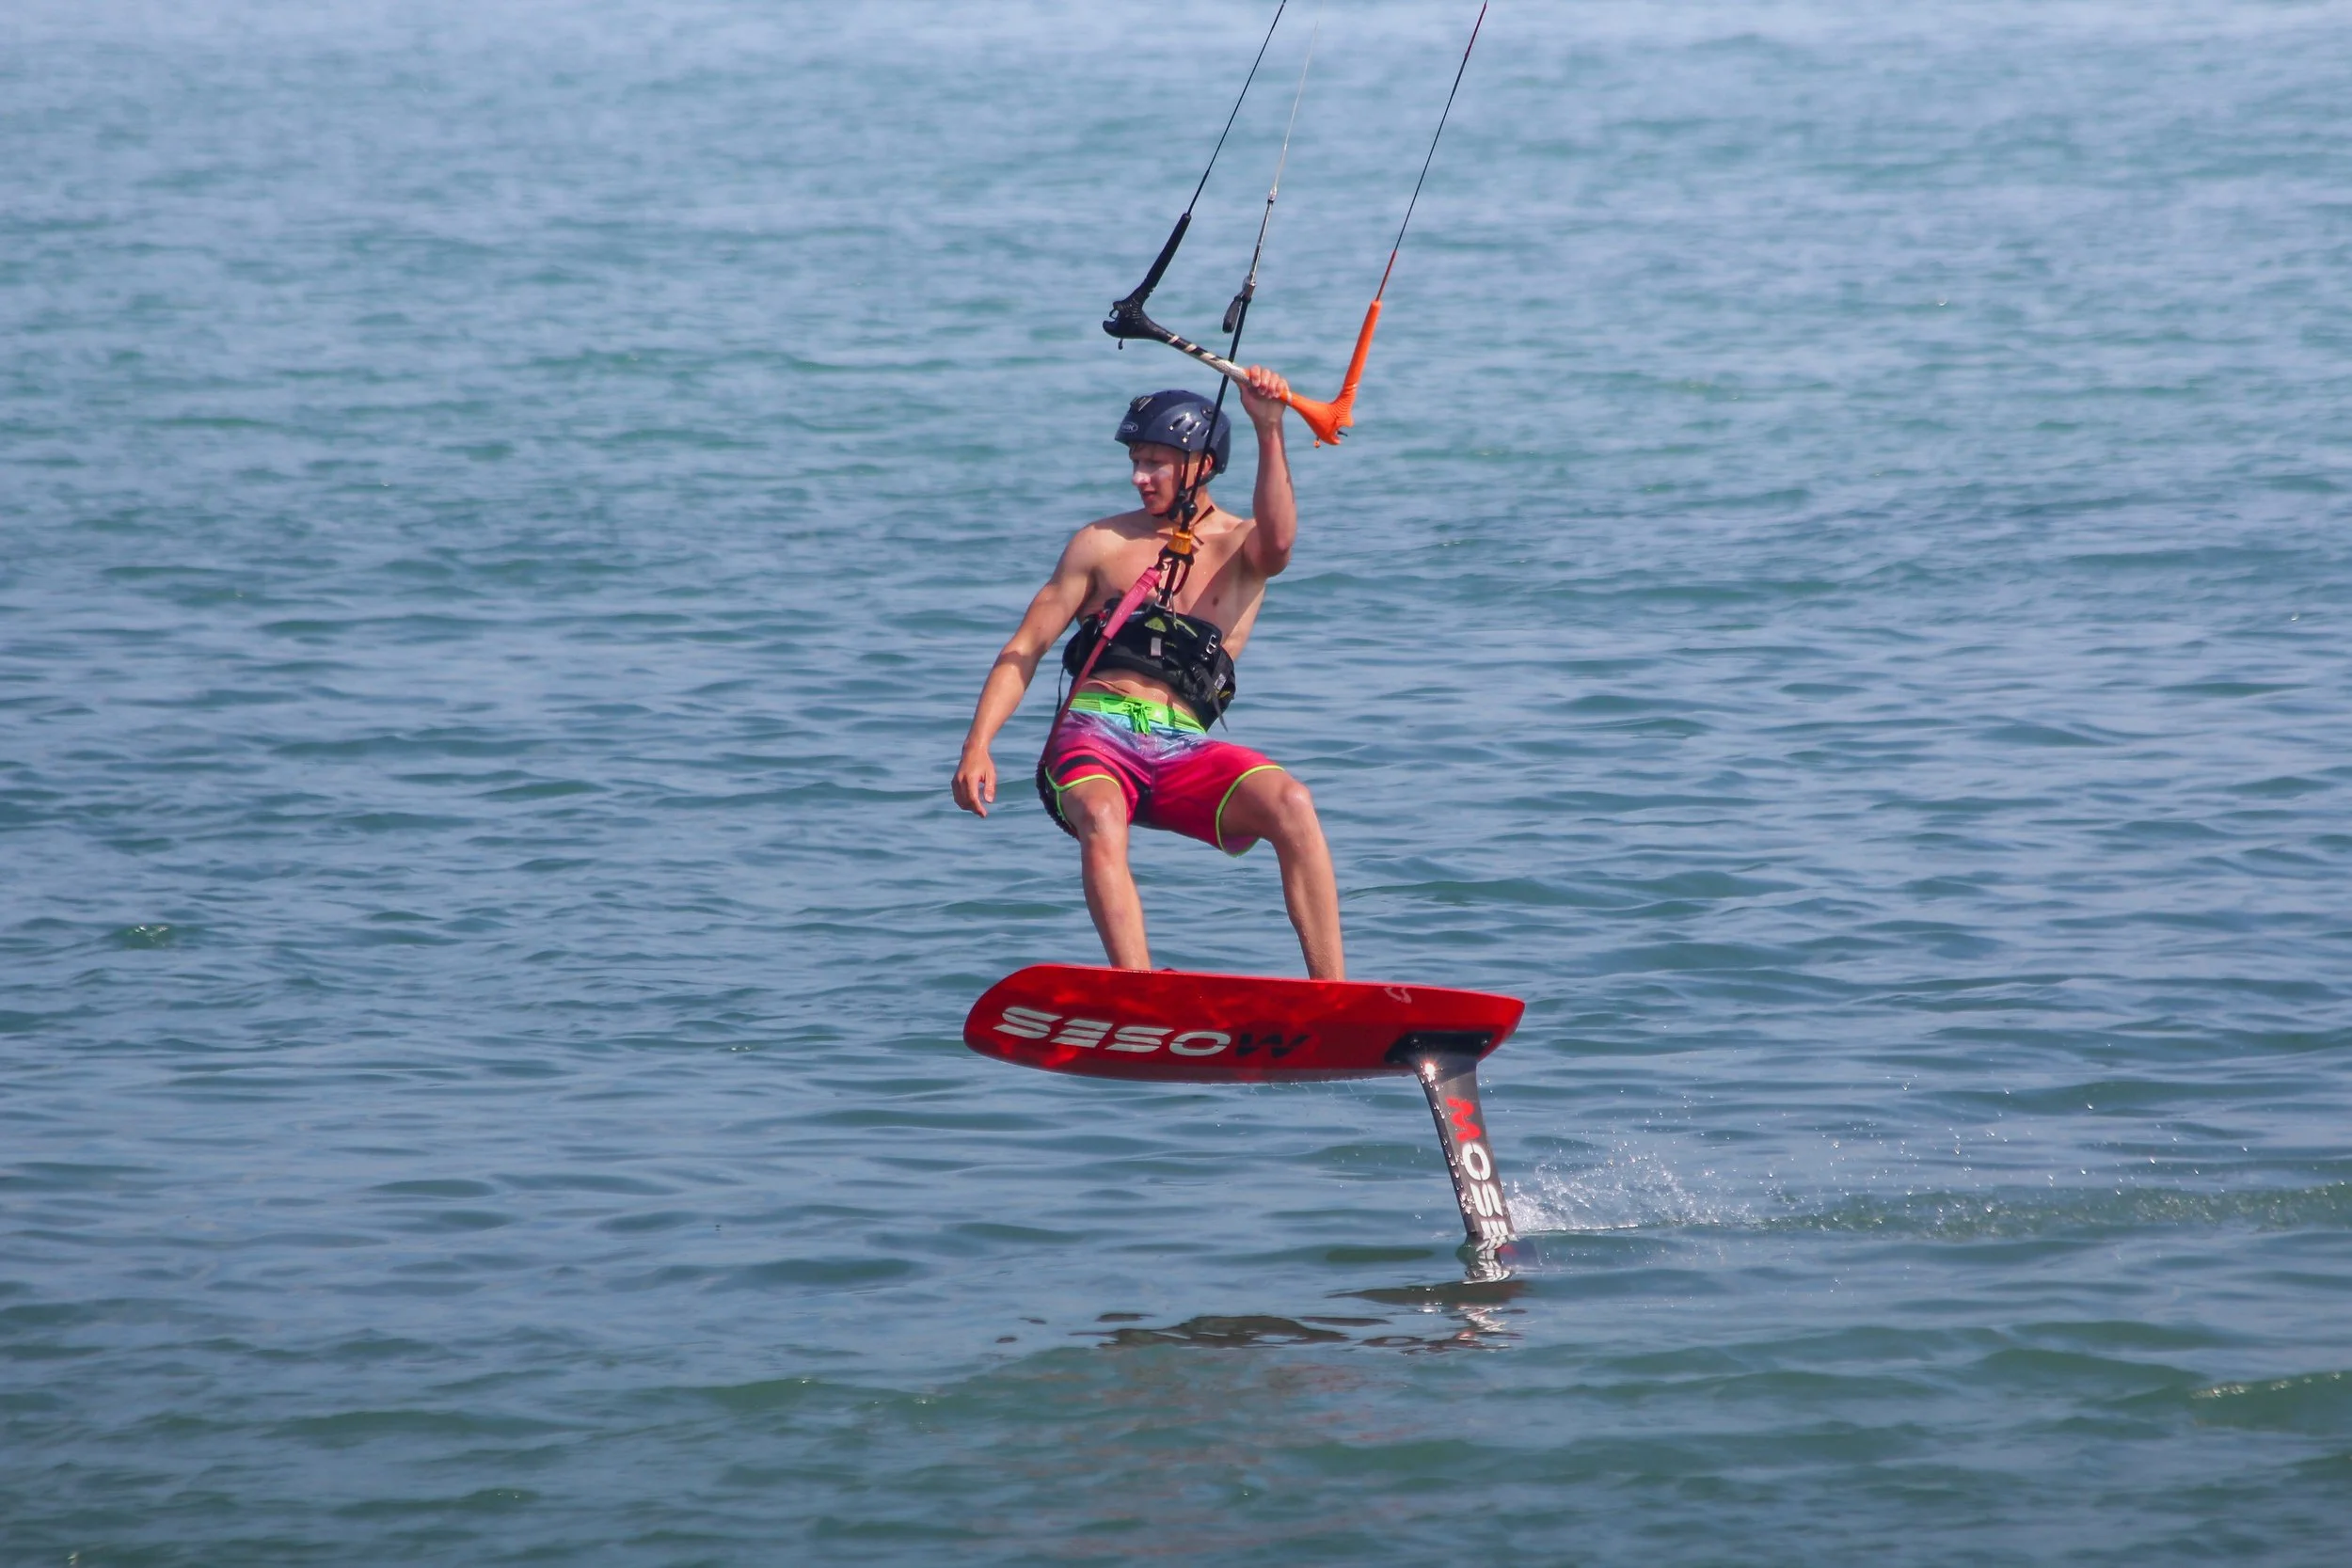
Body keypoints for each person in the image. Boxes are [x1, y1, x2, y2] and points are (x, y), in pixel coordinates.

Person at [952, 369, 1343, 979]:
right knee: (1103, 817)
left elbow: (1283, 540)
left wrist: (1271, 428)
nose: (1140, 477)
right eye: (1136, 461)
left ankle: (1335, 995)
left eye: (1157, 462)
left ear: (1203, 463)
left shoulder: (1243, 546)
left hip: (1182, 747)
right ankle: (1137, 989)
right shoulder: (1101, 543)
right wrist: (978, 745)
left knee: (1292, 802)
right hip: (1092, 736)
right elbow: (1025, 646)